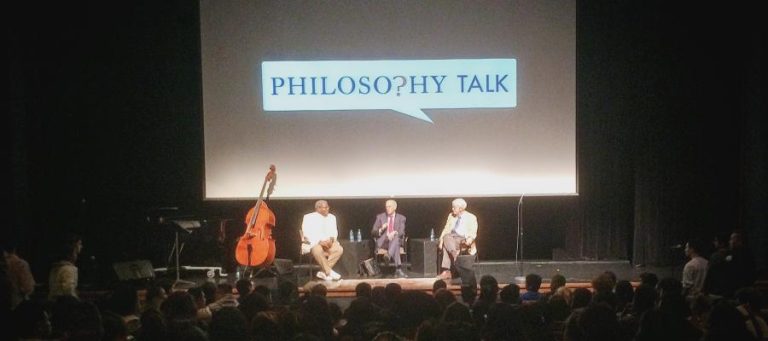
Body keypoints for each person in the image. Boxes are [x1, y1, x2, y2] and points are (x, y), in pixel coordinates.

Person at [302, 200, 344, 281]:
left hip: (328, 243)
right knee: (317, 250)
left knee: (339, 249)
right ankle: (328, 271)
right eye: (324, 207)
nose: (327, 209)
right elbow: (306, 233)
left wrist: (331, 240)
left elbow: (334, 232)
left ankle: (323, 272)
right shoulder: (308, 217)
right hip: (315, 243)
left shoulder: (332, 217)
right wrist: (319, 242)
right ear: (318, 208)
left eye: (327, 207)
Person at [437, 198, 478, 280]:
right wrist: (441, 240)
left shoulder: (471, 217)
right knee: (446, 237)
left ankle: (447, 271)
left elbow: (473, 231)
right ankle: (455, 257)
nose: (452, 209)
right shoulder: (451, 216)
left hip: (463, 239)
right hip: (451, 238)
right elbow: (446, 229)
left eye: (454, 207)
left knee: (446, 244)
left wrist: (469, 240)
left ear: (461, 209)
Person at [371, 199, 407, 278]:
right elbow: (373, 232)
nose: (387, 208)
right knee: (396, 244)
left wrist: (394, 232)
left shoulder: (401, 218)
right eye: (386, 207)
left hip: (394, 240)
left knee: (396, 240)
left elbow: (401, 232)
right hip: (383, 242)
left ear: (395, 207)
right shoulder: (380, 217)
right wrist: (381, 229)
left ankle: (389, 255)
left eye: (389, 206)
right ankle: (398, 269)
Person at [2, 238, 35, 310]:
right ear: (14, 249)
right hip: (17, 304)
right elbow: (27, 288)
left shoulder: (4, 263)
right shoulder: (20, 264)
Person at [48, 233, 83, 301]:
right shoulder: (68, 269)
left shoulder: (56, 267)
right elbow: (69, 292)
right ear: (74, 246)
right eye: (79, 244)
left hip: (52, 303)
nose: (81, 246)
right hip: (64, 304)